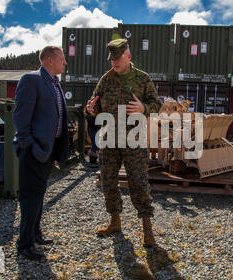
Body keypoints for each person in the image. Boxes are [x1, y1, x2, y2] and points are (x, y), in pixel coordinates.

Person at [86, 38, 161, 247]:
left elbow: (157, 105)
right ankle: (115, 222)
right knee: (108, 182)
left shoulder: (142, 79)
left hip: (133, 140)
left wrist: (144, 109)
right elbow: (94, 103)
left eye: (118, 58)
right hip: (109, 140)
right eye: (111, 59)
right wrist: (91, 109)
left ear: (128, 56)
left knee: (138, 182)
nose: (114, 63)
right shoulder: (105, 79)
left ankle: (147, 229)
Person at [12, 46, 70, 260]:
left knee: (39, 194)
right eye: (61, 59)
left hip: (48, 150)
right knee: (30, 197)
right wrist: (30, 146)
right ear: (48, 60)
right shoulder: (31, 80)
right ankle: (24, 244)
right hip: (34, 150)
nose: (65, 63)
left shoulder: (55, 83)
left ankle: (35, 233)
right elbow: (20, 118)